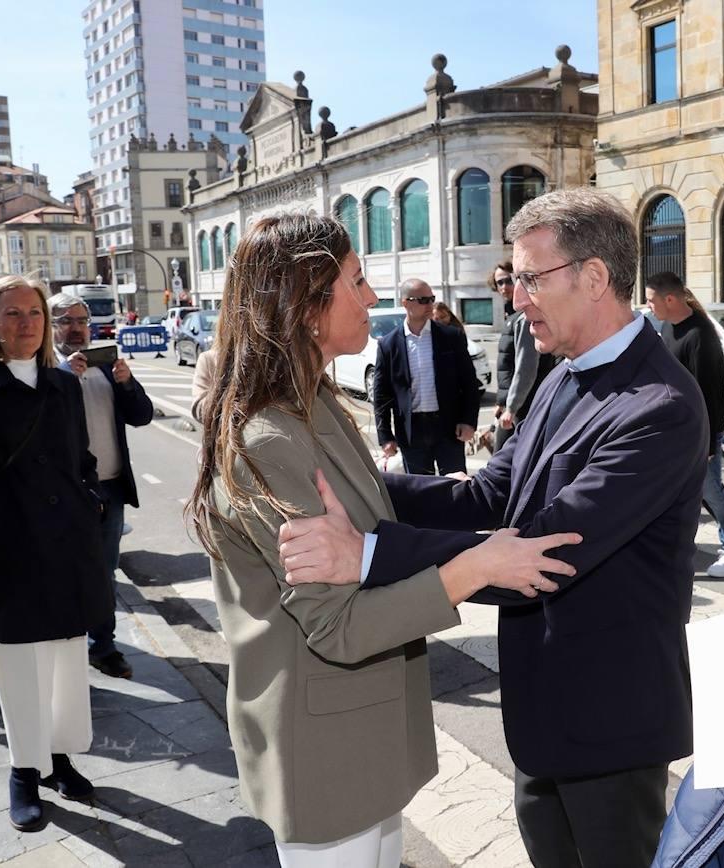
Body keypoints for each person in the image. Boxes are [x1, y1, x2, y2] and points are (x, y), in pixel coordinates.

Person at [279, 189, 710, 868]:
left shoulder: (657, 407)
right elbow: (488, 493)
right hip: (547, 713)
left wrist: (364, 553)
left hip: (609, 725)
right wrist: (362, 489)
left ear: (594, 277)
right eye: (515, 281)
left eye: (529, 280)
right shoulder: (566, 375)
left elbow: (539, 555)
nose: (515, 300)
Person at [184, 212, 579, 868]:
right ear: (307, 303)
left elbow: (376, 527)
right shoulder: (272, 440)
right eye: (357, 281)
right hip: (322, 752)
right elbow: (336, 626)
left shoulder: (318, 406)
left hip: (359, 735)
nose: (373, 298)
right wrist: (475, 566)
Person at [0, 274, 112, 833]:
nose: (26, 323)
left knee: (64, 661)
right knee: (18, 666)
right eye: (11, 313)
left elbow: (80, 459)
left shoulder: (63, 384)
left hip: (67, 548)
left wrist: (91, 508)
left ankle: (58, 759)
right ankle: (23, 773)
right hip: (5, 552)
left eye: (34, 312)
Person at [49, 292, 154, 679]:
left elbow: (142, 416)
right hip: (65, 494)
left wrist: (127, 383)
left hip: (109, 489)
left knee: (104, 573)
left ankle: (103, 647)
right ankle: (65, 644)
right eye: (65, 321)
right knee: (64, 572)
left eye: (81, 321)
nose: (75, 329)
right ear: (53, 326)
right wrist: (63, 375)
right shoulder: (46, 368)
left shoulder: (107, 367)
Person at [645, 272, 724, 578]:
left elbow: (711, 393)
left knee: (709, 488)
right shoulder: (667, 327)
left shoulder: (700, 335)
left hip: (701, 431)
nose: (647, 306)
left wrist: (707, 444)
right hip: (676, 428)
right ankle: (720, 517)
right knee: (686, 490)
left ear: (670, 299)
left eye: (651, 300)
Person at [372, 278, 479, 475]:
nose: (430, 305)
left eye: (431, 299)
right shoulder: (388, 345)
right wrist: (386, 437)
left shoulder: (451, 337)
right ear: (406, 303)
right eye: (423, 300)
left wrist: (469, 420)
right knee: (421, 492)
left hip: (448, 426)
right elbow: (381, 395)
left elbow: (470, 383)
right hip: (412, 431)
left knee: (456, 486)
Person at [491, 260, 554, 452]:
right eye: (499, 283)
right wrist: (502, 401)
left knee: (507, 465)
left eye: (508, 280)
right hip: (514, 406)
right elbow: (507, 364)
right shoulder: (512, 316)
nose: (504, 287)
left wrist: (511, 407)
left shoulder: (524, 317)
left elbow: (525, 367)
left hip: (523, 408)